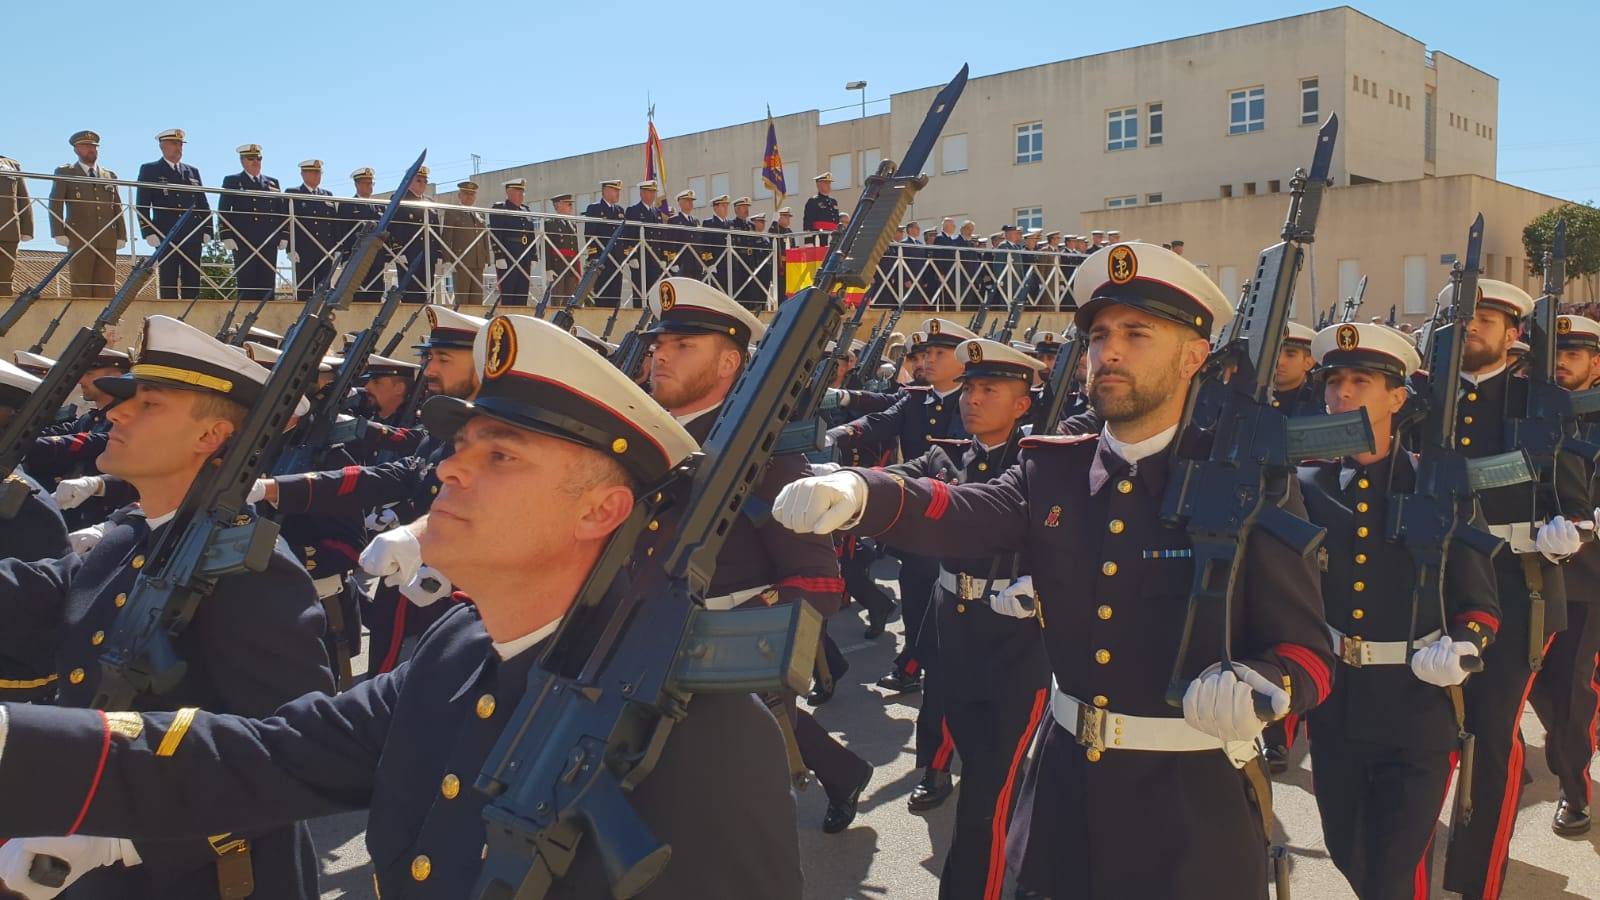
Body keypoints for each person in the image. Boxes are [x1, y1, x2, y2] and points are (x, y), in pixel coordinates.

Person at [0, 315, 805, 900]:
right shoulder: (459, 650)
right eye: (460, 448)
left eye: (500, 457)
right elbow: (266, 753)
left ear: (598, 513)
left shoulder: (700, 733)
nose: (450, 473)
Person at [773, 242, 1335, 899]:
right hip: (1069, 793)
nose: (1110, 351)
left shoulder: (1251, 479)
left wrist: (1266, 684)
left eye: (1136, 333)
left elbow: (1307, 650)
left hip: (1192, 807)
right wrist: (865, 494)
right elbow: (965, 509)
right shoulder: (1054, 468)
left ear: (1194, 356)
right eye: (1099, 335)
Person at [0, 315, 333, 899]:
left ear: (211, 438)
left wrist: (128, 837)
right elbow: (45, 588)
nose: (114, 411)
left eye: (148, 404)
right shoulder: (132, 535)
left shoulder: (246, 567)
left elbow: (296, 753)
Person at [643, 277, 868, 833]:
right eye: (658, 345)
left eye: (682, 346)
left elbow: (818, 580)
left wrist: (747, 647)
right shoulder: (646, 444)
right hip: (649, 643)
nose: (660, 357)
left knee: (738, 812)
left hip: (732, 649)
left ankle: (838, 775)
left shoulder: (762, 456)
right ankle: (845, 771)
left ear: (728, 366)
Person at [1298, 321, 1500, 899]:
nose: (1343, 393)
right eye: (1334, 381)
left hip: (1417, 708)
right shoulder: (1304, 486)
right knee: (1347, 850)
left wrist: (1464, 643)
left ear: (1397, 397)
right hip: (1337, 708)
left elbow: (1481, 604)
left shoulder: (1437, 485)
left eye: (1362, 380)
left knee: (1391, 870)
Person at [884, 337, 1052, 898]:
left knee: (986, 796)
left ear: (1023, 404)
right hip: (956, 637)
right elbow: (906, 480)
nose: (971, 399)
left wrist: (1046, 581)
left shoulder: (1044, 467)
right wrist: (853, 485)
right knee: (988, 781)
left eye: (989, 389)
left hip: (1016, 647)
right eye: (970, 387)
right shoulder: (947, 455)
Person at [1441, 278, 1587, 900]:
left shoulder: (1538, 401)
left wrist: (1565, 534)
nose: (1468, 326)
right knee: (1437, 737)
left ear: (1512, 333)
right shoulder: (1425, 398)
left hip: (1516, 589)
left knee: (1490, 736)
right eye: (1459, 316)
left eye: (1484, 317)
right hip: (1434, 588)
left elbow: (1576, 507)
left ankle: (1477, 881)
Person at [254, 306, 487, 675]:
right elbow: (381, 477)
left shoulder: (503, 440)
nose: (428, 370)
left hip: (461, 608)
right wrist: (272, 488)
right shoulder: (446, 434)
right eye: (429, 358)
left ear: (483, 363)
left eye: (443, 358)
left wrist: (418, 536)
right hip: (403, 601)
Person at [828, 319, 978, 707]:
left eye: (938, 354)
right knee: (915, 590)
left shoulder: (977, 399)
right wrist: (837, 435)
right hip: (918, 513)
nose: (927, 360)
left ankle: (936, 663)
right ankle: (915, 658)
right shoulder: (915, 400)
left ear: (962, 361)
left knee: (954, 597)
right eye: (926, 353)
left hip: (961, 514)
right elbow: (879, 422)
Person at [1529, 313, 1600, 837]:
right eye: (1555, 352)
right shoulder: (1529, 413)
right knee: (1538, 691)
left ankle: (1574, 791)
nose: (1561, 363)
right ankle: (1563, 746)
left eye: (1573, 354)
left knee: (1572, 694)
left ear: (1595, 365)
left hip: (1585, 580)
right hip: (1526, 575)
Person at [47, 131, 125, 301]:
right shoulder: (65, 172)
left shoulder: (109, 175)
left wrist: (122, 234)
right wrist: (58, 232)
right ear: (76, 149)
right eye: (86, 146)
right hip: (79, 236)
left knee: (106, 285)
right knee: (81, 284)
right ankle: (83, 322)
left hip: (107, 237)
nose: (92, 150)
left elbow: (117, 207)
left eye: (94, 147)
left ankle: (105, 323)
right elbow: (55, 203)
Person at [135, 129, 212, 300]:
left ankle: (190, 314)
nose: (178, 148)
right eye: (174, 144)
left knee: (192, 278)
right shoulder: (151, 170)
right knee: (168, 277)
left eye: (180, 144)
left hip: (192, 233)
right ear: (162, 146)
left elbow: (202, 203)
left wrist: (207, 229)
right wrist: (148, 231)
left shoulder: (192, 172)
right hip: (165, 232)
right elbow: (142, 205)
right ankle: (168, 316)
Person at [218, 144, 286, 302]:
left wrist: (284, 236)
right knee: (246, 284)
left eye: (258, 158)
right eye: (251, 158)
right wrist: (226, 235)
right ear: (242, 161)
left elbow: (281, 211)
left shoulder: (272, 183)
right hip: (243, 240)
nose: (256, 161)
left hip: (269, 240)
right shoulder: (233, 181)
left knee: (268, 285)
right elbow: (224, 210)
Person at [284, 160, 339, 300]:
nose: (317, 175)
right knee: (304, 291)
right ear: (303, 174)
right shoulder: (293, 193)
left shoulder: (327, 195)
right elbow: (287, 223)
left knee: (324, 291)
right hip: (303, 251)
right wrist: (290, 248)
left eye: (319, 172)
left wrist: (337, 247)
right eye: (314, 172)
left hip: (325, 250)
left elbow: (334, 224)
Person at [387, 165, 438, 305]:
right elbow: (394, 226)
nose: (423, 184)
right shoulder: (399, 198)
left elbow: (436, 229)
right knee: (411, 293)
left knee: (428, 293)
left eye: (425, 181)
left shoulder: (429, 202)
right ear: (409, 181)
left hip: (428, 254)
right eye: (418, 180)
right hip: (409, 254)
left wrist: (438, 252)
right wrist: (397, 250)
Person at [438, 181, 490, 307]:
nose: (469, 197)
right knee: (462, 301)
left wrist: (487, 258)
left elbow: (484, 238)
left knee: (477, 301)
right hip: (461, 262)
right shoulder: (453, 212)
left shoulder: (479, 214)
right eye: (466, 194)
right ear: (459, 195)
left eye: (472, 194)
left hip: (478, 262)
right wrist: (447, 260)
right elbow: (446, 236)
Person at [340, 167, 387, 302]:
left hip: (376, 256)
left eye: (371, 183)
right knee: (358, 294)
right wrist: (345, 256)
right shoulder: (348, 206)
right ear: (357, 184)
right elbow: (343, 232)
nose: (370, 186)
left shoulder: (379, 207)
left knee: (376, 292)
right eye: (366, 183)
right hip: (357, 256)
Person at [488, 179, 534, 307]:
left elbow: (531, 235)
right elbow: (495, 234)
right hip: (508, 256)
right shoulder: (500, 208)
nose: (521, 195)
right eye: (518, 191)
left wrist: (534, 256)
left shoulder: (526, 210)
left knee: (522, 293)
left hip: (525, 256)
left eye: (522, 192)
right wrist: (499, 256)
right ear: (509, 192)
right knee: (508, 293)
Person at [583, 179, 626, 308]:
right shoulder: (594, 208)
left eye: (618, 191)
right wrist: (594, 256)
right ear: (606, 191)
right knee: (602, 294)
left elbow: (623, 235)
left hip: (617, 259)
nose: (618, 194)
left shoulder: (620, 210)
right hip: (602, 258)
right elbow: (589, 234)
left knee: (616, 293)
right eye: (615, 191)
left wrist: (624, 256)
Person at [542, 192, 581, 305]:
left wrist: (577, 268)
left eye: (571, 204)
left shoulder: (572, 225)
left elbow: (575, 248)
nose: (571, 207)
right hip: (557, 266)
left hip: (571, 266)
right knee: (557, 299)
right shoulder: (550, 224)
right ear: (558, 205)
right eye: (568, 204)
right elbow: (545, 246)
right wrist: (548, 268)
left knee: (570, 299)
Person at [0, 154, 27, 297]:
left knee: (4, 280)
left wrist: (27, 228)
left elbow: (22, 197)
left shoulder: (11, 165)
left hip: (7, 231)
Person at [664, 189, 701, 280]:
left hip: (695, 262)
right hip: (682, 262)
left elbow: (699, 243)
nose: (691, 203)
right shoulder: (674, 220)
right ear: (680, 203)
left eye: (692, 201)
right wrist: (672, 262)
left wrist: (702, 261)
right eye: (688, 201)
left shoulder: (695, 221)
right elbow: (670, 243)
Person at [802, 172, 839, 244]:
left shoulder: (833, 201)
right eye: (826, 183)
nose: (829, 186)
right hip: (820, 237)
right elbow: (807, 222)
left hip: (833, 236)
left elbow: (836, 220)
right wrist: (808, 242)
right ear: (818, 185)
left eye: (829, 183)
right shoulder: (813, 201)